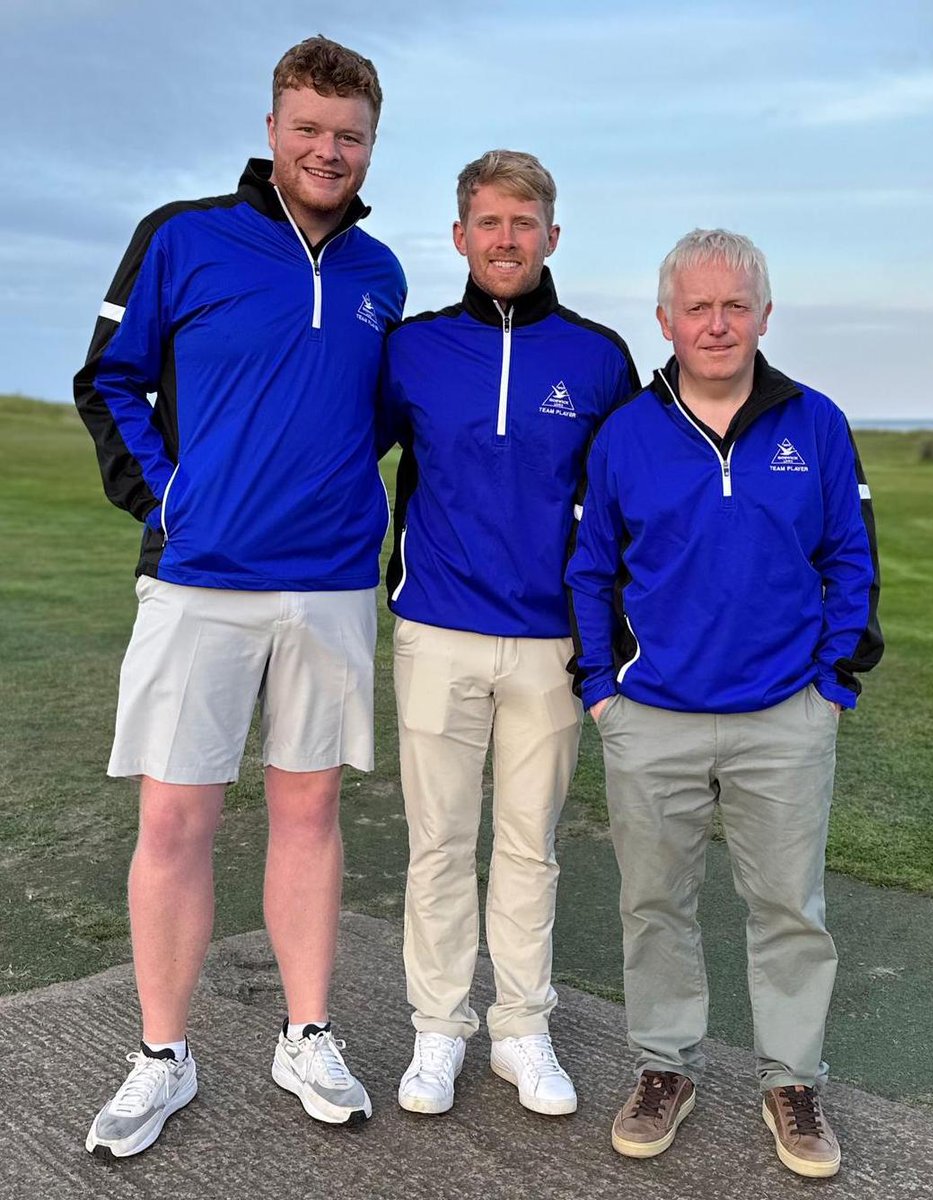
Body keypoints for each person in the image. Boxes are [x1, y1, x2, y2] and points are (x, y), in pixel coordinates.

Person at [73, 35, 406, 1158]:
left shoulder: (381, 276)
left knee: (309, 811)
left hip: (329, 588)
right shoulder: (182, 237)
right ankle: (163, 1054)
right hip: (201, 581)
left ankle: (305, 1031)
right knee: (176, 817)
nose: (327, 151)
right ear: (272, 131)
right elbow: (107, 378)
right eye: (308, 129)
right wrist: (173, 504)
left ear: (370, 144)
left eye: (348, 136)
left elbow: (373, 422)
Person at [566, 229, 882, 1177]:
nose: (716, 323)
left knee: (788, 906)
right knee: (654, 902)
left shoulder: (815, 424)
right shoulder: (626, 431)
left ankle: (791, 1079)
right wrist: (599, 689)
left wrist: (830, 686)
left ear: (763, 316)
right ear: (665, 320)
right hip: (651, 714)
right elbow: (591, 568)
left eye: (733, 306)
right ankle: (667, 1065)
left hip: (785, 715)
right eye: (696, 307)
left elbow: (850, 560)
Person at [379, 151, 639, 1117]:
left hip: (550, 643)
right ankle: (438, 1031)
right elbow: (339, 454)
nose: (505, 239)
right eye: (487, 222)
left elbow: (629, 499)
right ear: (460, 235)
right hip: (436, 629)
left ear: (551, 237)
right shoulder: (411, 350)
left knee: (530, 846)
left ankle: (520, 1030)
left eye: (523, 223)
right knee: (439, 843)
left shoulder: (598, 357)